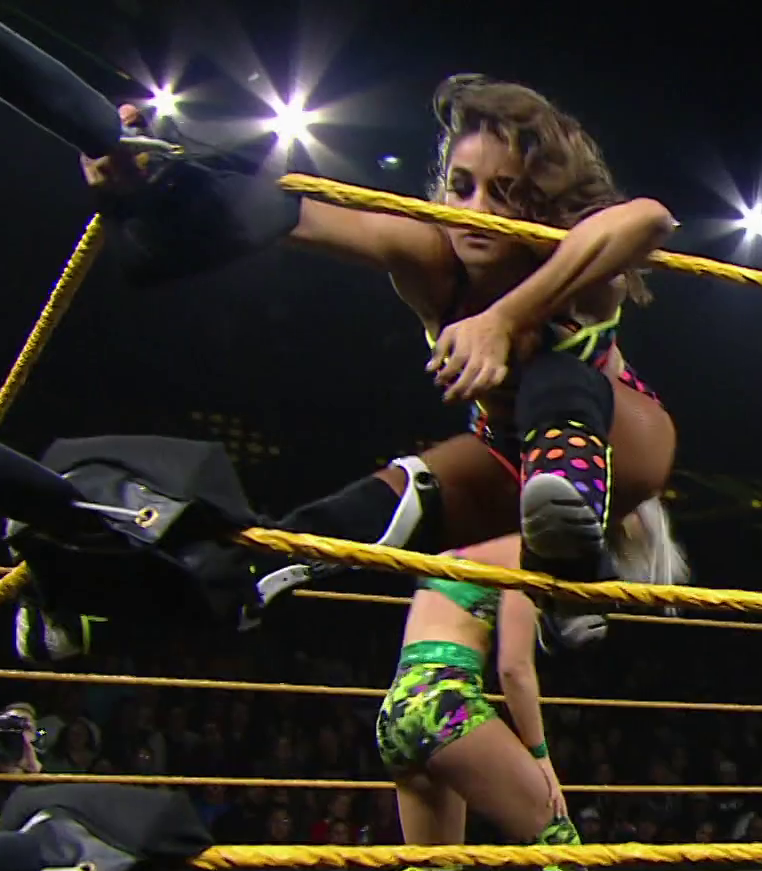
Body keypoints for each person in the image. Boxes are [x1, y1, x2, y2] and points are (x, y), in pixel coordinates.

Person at [69, 74, 681, 642]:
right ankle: (107, 608)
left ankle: (569, 560)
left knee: (556, 373)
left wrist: (504, 320)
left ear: (543, 203)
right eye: (461, 187)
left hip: (619, 439)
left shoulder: (573, 265)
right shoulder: (430, 255)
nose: (476, 212)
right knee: (343, 519)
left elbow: (650, 218)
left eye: (505, 193)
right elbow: (292, 212)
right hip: (503, 456)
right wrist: (150, 180)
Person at [252, 534, 659, 871]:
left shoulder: (461, 550)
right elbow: (514, 668)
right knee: (553, 836)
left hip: (399, 708)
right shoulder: (525, 550)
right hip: (446, 700)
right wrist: (541, 757)